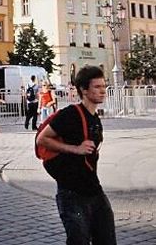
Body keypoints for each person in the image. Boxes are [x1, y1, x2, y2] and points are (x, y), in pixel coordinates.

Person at [36, 65, 116, 244]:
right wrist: (76, 149)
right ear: (83, 90)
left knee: (107, 240)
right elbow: (42, 139)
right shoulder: (70, 114)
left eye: (104, 86)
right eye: (97, 87)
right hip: (71, 194)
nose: (103, 91)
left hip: (94, 191)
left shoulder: (95, 118)